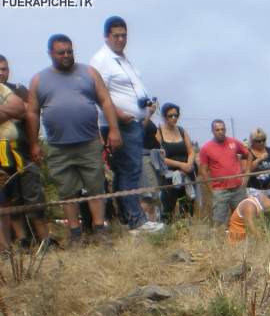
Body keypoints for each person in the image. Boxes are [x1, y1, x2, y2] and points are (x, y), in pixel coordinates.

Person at [26, 34, 123, 244]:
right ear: (50, 53)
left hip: (89, 142)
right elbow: (32, 112)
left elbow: (106, 101)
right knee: (67, 191)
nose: (67, 55)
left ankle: (99, 230)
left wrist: (114, 130)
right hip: (58, 146)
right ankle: (75, 234)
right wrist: (34, 143)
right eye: (61, 52)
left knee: (96, 187)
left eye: (70, 51)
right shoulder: (39, 79)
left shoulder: (89, 72)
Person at [90, 15, 163, 233]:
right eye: (116, 35)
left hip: (134, 123)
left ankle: (128, 218)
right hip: (119, 124)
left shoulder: (122, 58)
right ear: (106, 36)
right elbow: (98, 93)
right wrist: (118, 115)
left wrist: (147, 108)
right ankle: (135, 220)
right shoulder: (102, 59)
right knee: (130, 170)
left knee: (128, 170)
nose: (121, 39)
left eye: (124, 35)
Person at [0, 55, 52, 246]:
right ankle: (22, 241)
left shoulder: (19, 90)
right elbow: (18, 109)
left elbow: (29, 112)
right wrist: (12, 111)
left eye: (4, 69)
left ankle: (45, 240)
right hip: (2, 154)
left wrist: (34, 144)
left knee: (34, 195)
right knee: (11, 199)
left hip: (24, 149)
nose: (1, 73)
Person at [198, 119, 249, 225]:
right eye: (217, 130)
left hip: (238, 188)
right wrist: (211, 189)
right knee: (220, 221)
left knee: (242, 219)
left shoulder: (234, 142)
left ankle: (241, 240)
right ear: (212, 131)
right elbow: (203, 170)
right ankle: (222, 240)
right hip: (220, 190)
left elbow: (248, 155)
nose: (220, 131)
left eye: (222, 129)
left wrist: (246, 173)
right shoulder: (206, 148)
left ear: (225, 130)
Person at [156, 102, 196, 222]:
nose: (174, 118)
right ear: (164, 116)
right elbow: (160, 157)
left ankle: (187, 230)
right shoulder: (158, 132)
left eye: (176, 115)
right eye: (170, 115)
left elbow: (191, 151)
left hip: (187, 174)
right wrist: (181, 165)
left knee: (187, 203)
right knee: (168, 205)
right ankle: (167, 231)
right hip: (169, 175)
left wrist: (188, 164)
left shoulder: (181, 130)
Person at [0, 74, 26, 250]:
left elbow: (20, 108)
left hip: (7, 150)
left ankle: (9, 246)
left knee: (7, 200)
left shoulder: (1, 88)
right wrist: (5, 111)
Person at [245, 127, 270, 196]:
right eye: (258, 141)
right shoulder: (249, 152)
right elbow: (248, 170)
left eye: (263, 140)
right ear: (252, 141)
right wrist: (259, 159)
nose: (262, 142)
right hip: (256, 189)